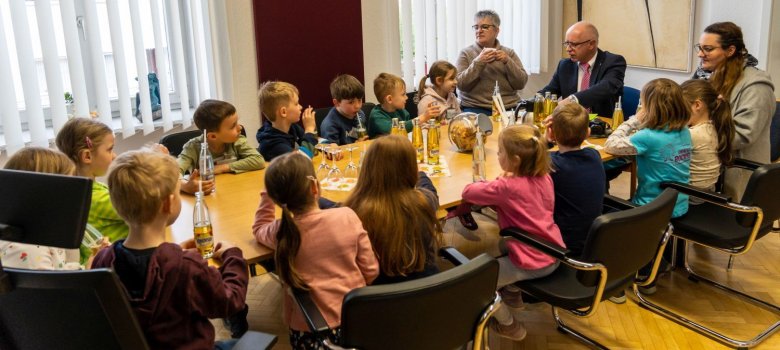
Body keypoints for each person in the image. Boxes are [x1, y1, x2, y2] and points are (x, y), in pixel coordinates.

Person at [91, 150, 248, 349]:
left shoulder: (104, 260)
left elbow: (146, 266)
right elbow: (230, 301)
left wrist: (175, 251)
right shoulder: (186, 267)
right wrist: (232, 255)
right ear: (168, 203)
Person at [448, 124, 563, 341]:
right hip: (552, 248)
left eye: (500, 152)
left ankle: (510, 325)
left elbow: (468, 192)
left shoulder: (507, 186)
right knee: (500, 247)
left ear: (516, 160)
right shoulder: (544, 175)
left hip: (532, 261)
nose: (498, 155)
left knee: (476, 284)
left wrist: (500, 180)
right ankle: (512, 294)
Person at [252, 152, 379, 348]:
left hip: (308, 333)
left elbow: (259, 227)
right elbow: (371, 271)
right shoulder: (346, 216)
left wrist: (267, 194)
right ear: (314, 187)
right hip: (358, 321)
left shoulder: (281, 231)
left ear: (277, 198)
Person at [692, 22, 775, 199]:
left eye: (708, 49)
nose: (700, 54)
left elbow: (743, 135)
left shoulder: (756, 86)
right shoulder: (706, 76)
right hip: (709, 165)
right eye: (700, 48)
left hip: (737, 177)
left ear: (730, 51)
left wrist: (692, 138)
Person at [343, 135, 442, 284]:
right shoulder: (424, 201)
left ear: (368, 168)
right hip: (427, 294)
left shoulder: (352, 211)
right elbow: (430, 190)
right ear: (410, 169)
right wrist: (420, 174)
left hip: (381, 300)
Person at [0, 147, 107, 270]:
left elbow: (60, 269)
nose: (72, 196)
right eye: (68, 188)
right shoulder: (28, 248)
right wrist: (89, 270)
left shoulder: (45, 235)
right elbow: (48, 286)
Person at [604, 78, 691, 218]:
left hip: (650, 208)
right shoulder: (684, 130)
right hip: (679, 205)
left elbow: (610, 145)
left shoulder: (648, 137)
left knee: (602, 213)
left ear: (649, 108)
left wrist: (635, 119)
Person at [544, 103, 605, 257]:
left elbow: (533, 157)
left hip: (563, 245)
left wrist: (547, 140)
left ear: (552, 133)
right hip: (593, 241)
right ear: (588, 132)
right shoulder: (594, 155)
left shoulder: (551, 164)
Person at [55, 117, 128, 244]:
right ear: (87, 156)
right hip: (113, 261)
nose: (114, 155)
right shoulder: (94, 198)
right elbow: (150, 210)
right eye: (109, 149)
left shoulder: (78, 191)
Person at [178, 99, 266, 194]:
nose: (240, 127)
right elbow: (172, 172)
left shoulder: (237, 140)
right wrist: (185, 186)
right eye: (233, 126)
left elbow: (258, 160)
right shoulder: (192, 147)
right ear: (213, 136)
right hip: (209, 197)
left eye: (237, 122)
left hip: (236, 192)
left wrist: (223, 167)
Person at [542, 21, 626, 118]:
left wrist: (573, 100)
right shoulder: (565, 65)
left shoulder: (613, 62)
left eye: (573, 44)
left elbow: (606, 88)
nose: (568, 49)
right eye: (567, 43)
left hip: (601, 125)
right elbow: (549, 91)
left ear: (591, 44)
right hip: (570, 124)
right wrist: (528, 103)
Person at [456, 10, 528, 116]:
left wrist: (508, 61)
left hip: (508, 107)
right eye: (476, 27)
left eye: (484, 27)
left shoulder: (509, 53)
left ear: (497, 31)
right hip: (475, 108)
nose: (479, 31)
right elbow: (460, 84)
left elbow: (521, 83)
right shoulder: (465, 53)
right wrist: (479, 62)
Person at [681, 79, 735, 193]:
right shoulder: (716, 128)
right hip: (708, 193)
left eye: (681, 106)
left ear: (697, 105)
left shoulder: (692, 134)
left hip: (690, 196)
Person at [256, 81, 319, 161]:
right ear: (283, 112)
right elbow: (302, 161)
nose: (301, 107)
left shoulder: (291, 126)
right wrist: (309, 129)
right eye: (296, 104)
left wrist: (329, 145)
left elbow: (312, 145)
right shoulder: (273, 144)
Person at [367, 73, 438, 138]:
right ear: (389, 99)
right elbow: (395, 131)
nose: (406, 97)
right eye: (403, 94)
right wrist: (423, 117)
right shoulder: (376, 116)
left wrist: (427, 124)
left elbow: (408, 131)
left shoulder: (402, 111)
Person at [320, 74, 368, 145]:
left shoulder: (360, 114)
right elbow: (333, 152)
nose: (357, 106)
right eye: (351, 102)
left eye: (359, 100)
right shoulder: (330, 125)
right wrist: (357, 145)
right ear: (337, 103)